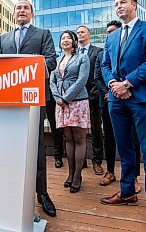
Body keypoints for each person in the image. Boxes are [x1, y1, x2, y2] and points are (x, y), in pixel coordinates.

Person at [100, 0, 146, 231]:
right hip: (116, 100)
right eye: (116, 3)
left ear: (134, 5)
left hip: (140, 97)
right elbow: (105, 65)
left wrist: (127, 83)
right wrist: (113, 85)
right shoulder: (111, 36)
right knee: (125, 149)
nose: (119, 6)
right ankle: (128, 192)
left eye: (123, 2)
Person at [0, 0, 57, 218]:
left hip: (33, 98)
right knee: (10, 145)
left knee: (36, 145)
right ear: (13, 14)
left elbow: (51, 61)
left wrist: (30, 66)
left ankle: (42, 192)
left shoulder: (43, 33)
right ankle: (11, 189)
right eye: (18, 8)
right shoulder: (3, 38)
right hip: (8, 100)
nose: (22, 11)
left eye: (26, 8)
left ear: (32, 13)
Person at [94, 20, 142, 191]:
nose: (110, 34)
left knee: (132, 138)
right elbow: (97, 76)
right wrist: (110, 90)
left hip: (129, 98)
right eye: (108, 32)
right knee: (109, 137)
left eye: (114, 31)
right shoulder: (101, 54)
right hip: (107, 99)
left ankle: (134, 176)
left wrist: (123, 88)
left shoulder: (129, 49)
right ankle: (110, 171)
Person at [50, 30, 90, 193]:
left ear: (74, 41)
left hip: (77, 101)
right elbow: (52, 80)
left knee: (79, 138)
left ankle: (77, 176)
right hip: (60, 104)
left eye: (68, 38)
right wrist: (58, 97)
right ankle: (71, 173)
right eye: (62, 38)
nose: (65, 40)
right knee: (68, 137)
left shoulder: (82, 58)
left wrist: (66, 98)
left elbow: (82, 80)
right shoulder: (58, 60)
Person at [76, 25, 102, 175]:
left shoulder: (97, 51)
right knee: (78, 129)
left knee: (96, 129)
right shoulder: (73, 53)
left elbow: (99, 73)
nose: (79, 34)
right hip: (77, 98)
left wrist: (96, 92)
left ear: (89, 35)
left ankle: (97, 160)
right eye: (78, 32)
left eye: (82, 32)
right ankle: (81, 160)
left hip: (93, 96)